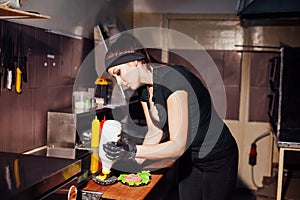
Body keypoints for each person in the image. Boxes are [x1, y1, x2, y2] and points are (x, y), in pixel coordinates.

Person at [102, 32, 239, 200]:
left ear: (134, 61)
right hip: (190, 158)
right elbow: (154, 132)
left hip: (217, 158)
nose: (120, 82)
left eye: (118, 72)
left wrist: (133, 150)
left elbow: (177, 145)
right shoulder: (143, 91)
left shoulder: (174, 79)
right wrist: (131, 163)